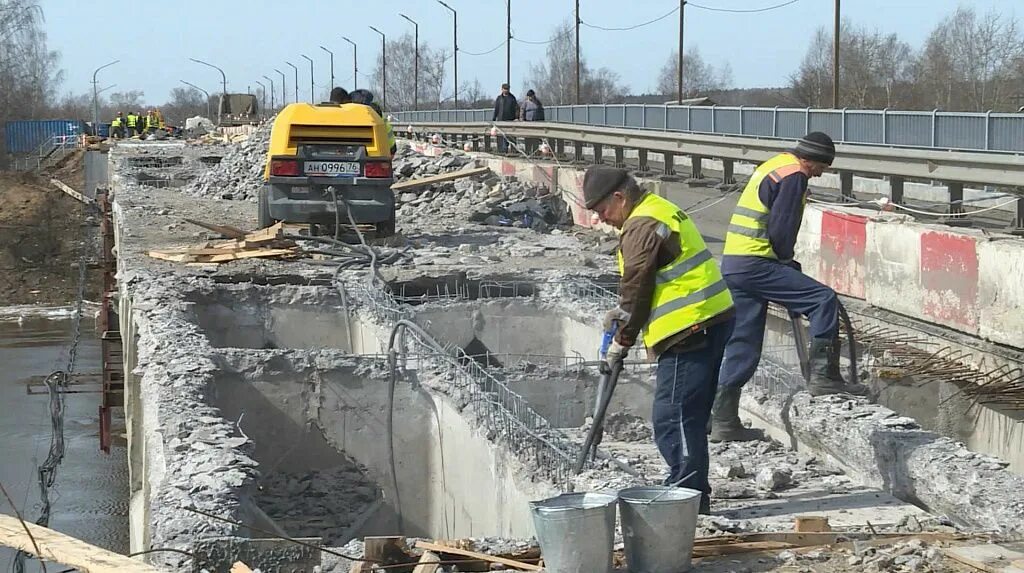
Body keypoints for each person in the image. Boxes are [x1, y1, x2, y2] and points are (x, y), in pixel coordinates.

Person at [584, 166, 735, 514]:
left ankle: (686, 496)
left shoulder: (641, 225)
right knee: (690, 416)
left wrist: (624, 337)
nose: (601, 219)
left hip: (689, 328)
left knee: (674, 417)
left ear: (619, 198)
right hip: (709, 319)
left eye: (602, 210)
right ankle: (693, 492)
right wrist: (622, 314)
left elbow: (636, 287)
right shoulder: (655, 209)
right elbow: (650, 280)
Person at [711, 132, 867, 443]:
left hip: (735, 264)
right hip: (757, 262)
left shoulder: (774, 164)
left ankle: (722, 421)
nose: (820, 173)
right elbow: (782, 225)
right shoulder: (794, 175)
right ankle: (824, 377)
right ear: (811, 159)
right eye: (821, 167)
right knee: (823, 299)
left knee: (743, 345)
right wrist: (784, 259)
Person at [491, 83, 518, 153]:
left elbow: (516, 108)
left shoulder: (512, 98)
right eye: (505, 89)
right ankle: (501, 151)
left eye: (507, 89)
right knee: (500, 136)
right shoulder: (499, 98)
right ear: (502, 89)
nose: (506, 90)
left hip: (510, 120)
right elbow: (496, 109)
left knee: (510, 136)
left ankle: (512, 150)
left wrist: (516, 117)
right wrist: (494, 118)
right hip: (500, 120)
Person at [520, 89, 545, 155]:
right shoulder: (525, 103)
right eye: (528, 96)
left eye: (530, 96)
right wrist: (522, 120)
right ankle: (527, 151)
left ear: (533, 96)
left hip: (536, 122)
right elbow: (522, 112)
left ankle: (535, 152)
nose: (529, 98)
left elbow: (541, 111)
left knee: (535, 138)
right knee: (528, 138)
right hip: (528, 122)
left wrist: (542, 121)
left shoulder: (538, 102)